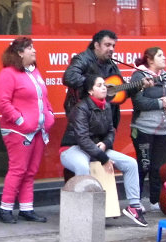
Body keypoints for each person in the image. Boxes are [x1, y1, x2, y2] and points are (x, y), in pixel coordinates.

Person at [60, 74, 148, 227]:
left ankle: (134, 207)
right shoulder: (80, 108)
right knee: (82, 166)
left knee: (131, 163)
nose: (104, 88)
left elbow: (111, 130)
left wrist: (105, 144)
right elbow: (82, 139)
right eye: (99, 85)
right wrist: (104, 157)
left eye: (104, 85)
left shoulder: (106, 105)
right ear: (90, 91)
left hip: (97, 149)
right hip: (73, 148)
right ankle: (83, 212)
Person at [0, 37, 55, 224]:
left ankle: (26, 208)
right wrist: (21, 121)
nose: (34, 51)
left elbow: (43, 98)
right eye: (30, 48)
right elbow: (3, 103)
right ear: (20, 53)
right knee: (18, 169)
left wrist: (50, 114)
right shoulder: (8, 74)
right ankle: (5, 209)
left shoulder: (34, 71)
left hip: (37, 130)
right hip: (18, 131)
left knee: (30, 171)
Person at [63, 30, 152, 129]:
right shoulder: (82, 59)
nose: (111, 49)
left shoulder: (112, 65)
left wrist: (140, 85)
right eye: (107, 45)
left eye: (113, 46)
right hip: (85, 119)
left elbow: (121, 92)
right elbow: (69, 77)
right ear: (97, 45)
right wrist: (96, 85)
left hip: (107, 122)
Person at [130, 47, 166, 212]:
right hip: (142, 129)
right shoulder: (139, 76)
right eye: (160, 55)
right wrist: (161, 103)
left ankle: (155, 200)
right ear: (150, 60)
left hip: (163, 129)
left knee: (158, 167)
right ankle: (136, 200)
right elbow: (139, 102)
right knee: (144, 165)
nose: (164, 58)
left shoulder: (165, 76)